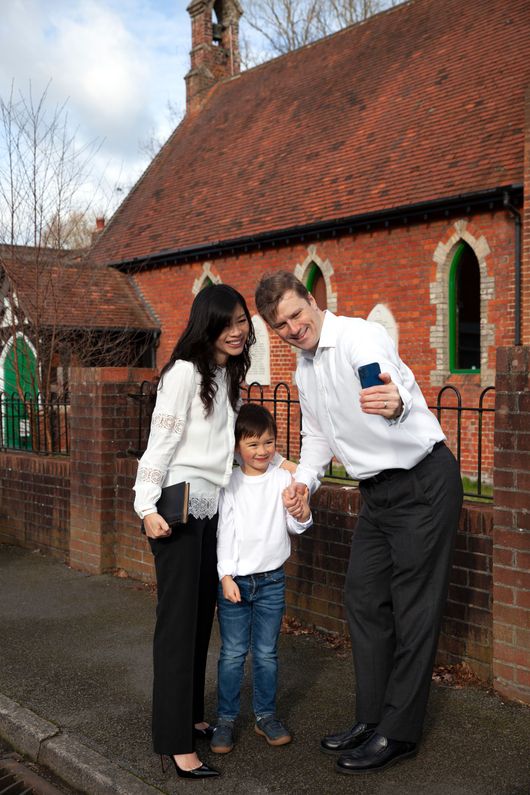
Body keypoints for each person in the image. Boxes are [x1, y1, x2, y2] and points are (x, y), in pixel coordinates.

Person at [255, 271, 463, 776]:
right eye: (280, 325)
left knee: (414, 611)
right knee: (364, 599)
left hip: (422, 484)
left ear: (312, 300)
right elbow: (319, 438)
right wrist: (304, 482)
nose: (292, 328)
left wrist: (393, 404)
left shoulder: (359, 338)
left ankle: (399, 732)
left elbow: (387, 384)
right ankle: (371, 718)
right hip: (378, 495)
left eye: (296, 314)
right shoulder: (305, 371)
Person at [133, 284, 256, 780]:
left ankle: (188, 716)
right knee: (178, 628)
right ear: (206, 324)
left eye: (242, 321)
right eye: (227, 323)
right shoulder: (184, 373)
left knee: (200, 621)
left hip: (209, 510)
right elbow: (158, 444)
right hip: (176, 510)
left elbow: (223, 451)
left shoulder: (226, 377)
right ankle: (174, 743)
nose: (237, 331)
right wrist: (144, 507)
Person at [210, 403, 312, 755]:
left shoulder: (283, 479)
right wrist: (224, 575)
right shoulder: (231, 483)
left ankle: (265, 716)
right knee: (233, 654)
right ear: (237, 446)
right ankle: (225, 719)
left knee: (267, 654)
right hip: (235, 582)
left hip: (271, 581)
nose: (262, 451)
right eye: (252, 444)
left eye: (268, 443)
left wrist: (302, 510)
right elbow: (224, 531)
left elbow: (296, 523)